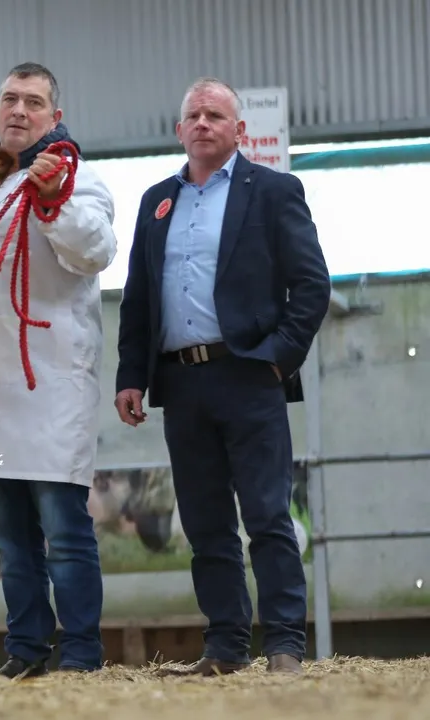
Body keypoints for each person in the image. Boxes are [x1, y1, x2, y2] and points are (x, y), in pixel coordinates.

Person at [114, 77, 331, 676]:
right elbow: (138, 297)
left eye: (216, 114)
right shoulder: (156, 201)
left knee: (266, 516)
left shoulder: (274, 191)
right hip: (181, 383)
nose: (204, 123)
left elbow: (312, 286)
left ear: (240, 131)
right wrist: (131, 375)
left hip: (249, 376)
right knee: (206, 523)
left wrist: (277, 357)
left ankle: (285, 643)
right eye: (194, 115)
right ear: (179, 131)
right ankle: (225, 646)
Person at [0, 61, 118, 678]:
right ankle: (25, 651)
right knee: (7, 538)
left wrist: (53, 200)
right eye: (10, 99)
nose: (19, 110)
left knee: (64, 534)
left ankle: (83, 657)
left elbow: (94, 250)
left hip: (49, 386)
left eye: (33, 102)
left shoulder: (77, 180)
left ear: (54, 117)